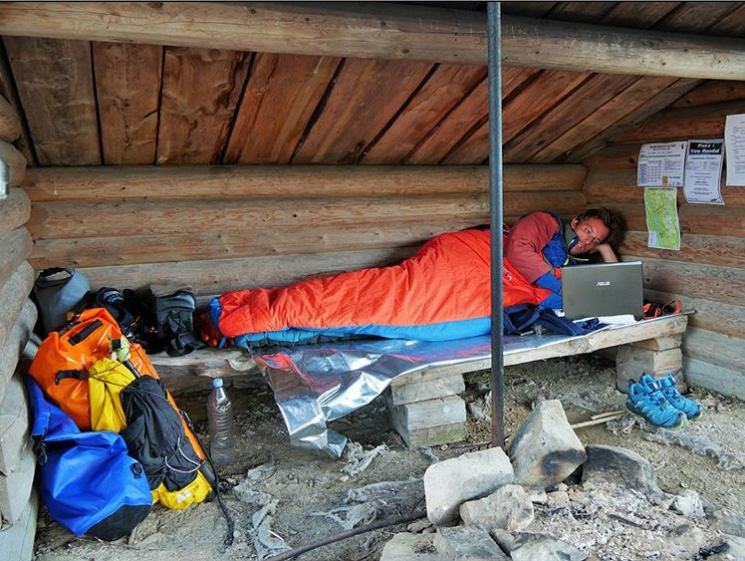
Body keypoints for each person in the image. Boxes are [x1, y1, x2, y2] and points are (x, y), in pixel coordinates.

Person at [504, 208, 623, 309]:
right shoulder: (546, 221)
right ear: (574, 223)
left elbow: (616, 287)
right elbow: (517, 248)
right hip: (507, 292)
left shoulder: (579, 263)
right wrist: (561, 289)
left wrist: (605, 249)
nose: (587, 241)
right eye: (588, 231)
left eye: (595, 240)